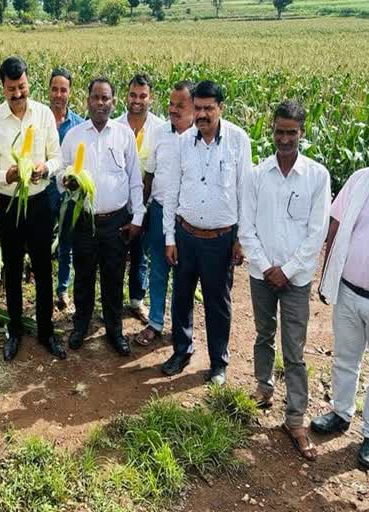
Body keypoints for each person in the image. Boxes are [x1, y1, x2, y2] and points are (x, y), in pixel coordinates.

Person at [239, 100, 331, 461]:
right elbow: (246, 228)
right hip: (261, 275)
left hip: (296, 279)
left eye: (292, 132)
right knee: (263, 334)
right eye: (280, 131)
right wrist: (267, 267)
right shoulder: (257, 175)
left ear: (302, 133)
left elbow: (316, 233)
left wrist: (287, 270)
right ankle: (263, 388)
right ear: (272, 130)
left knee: (294, 348)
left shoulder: (317, 176)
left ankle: (295, 419)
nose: (285, 138)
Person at [162, 80, 252, 385]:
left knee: (217, 302)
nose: (201, 114)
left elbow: (245, 193)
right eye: (197, 108)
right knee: (181, 297)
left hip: (220, 240)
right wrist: (170, 238)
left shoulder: (238, 140)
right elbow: (171, 192)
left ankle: (218, 363)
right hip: (186, 236)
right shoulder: (183, 142)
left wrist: (241, 239)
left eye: (208, 108)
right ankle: (181, 351)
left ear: (221, 108)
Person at [314, 123, 369, 470]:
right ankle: (341, 413)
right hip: (349, 290)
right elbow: (335, 223)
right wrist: (327, 276)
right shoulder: (359, 180)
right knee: (345, 358)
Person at [0, 56, 66, 361]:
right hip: (8, 204)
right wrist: (8, 175)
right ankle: (15, 331)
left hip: (39, 202)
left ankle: (46, 331)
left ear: (28, 82)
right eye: (11, 89)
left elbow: (57, 158)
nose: (17, 93)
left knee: (43, 270)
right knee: (13, 269)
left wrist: (45, 168)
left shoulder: (43, 114)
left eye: (22, 87)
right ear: (2, 87)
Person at [59, 78, 145, 355]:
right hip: (84, 220)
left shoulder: (124, 135)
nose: (100, 103)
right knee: (83, 276)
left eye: (105, 98)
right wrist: (66, 180)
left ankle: (114, 331)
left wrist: (137, 217)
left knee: (113, 278)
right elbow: (60, 172)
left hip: (116, 220)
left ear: (113, 102)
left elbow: (134, 179)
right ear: (87, 101)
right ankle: (81, 326)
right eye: (95, 97)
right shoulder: (74, 136)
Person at [133, 81, 195, 347]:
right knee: (158, 269)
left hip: (187, 218)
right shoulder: (159, 132)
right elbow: (149, 175)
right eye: (171, 104)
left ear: (194, 108)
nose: (173, 109)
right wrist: (142, 212)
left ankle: (182, 328)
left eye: (180, 105)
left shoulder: (200, 138)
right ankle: (156, 322)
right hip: (159, 211)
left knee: (185, 275)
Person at [116, 73, 165, 324]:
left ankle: (137, 300)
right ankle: (112, 302)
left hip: (146, 202)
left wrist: (143, 206)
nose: (137, 100)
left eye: (142, 96)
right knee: (115, 255)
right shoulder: (115, 126)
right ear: (126, 96)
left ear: (150, 98)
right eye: (133, 95)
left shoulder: (160, 129)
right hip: (117, 203)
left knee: (140, 254)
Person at [47, 68, 83, 312]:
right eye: (55, 89)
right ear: (49, 90)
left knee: (67, 243)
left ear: (70, 92)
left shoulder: (79, 125)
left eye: (63, 90)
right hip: (44, 190)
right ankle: (43, 289)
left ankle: (62, 290)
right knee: (41, 241)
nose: (58, 95)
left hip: (69, 193)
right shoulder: (40, 121)